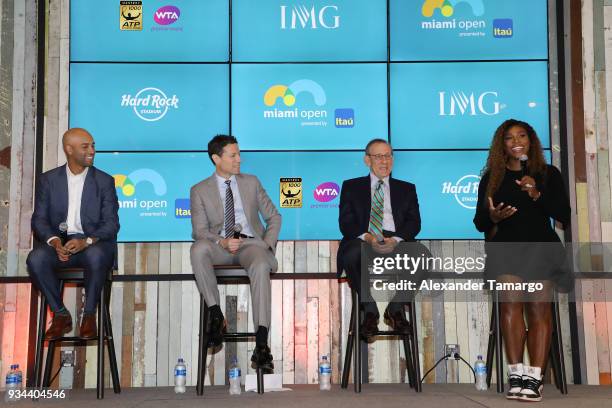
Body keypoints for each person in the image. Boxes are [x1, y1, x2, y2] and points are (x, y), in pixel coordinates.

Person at [474, 119, 570, 402]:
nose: (516, 141)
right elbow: (480, 222)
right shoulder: (492, 177)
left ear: (531, 141)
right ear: (501, 145)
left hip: (541, 249)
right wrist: (493, 217)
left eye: (522, 136)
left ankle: (535, 377)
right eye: (509, 137)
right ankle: (516, 373)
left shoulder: (548, 174)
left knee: (539, 309)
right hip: (506, 250)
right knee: (510, 305)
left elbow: (563, 214)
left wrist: (537, 194)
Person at [190, 134, 281, 373]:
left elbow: (274, 217)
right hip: (219, 247)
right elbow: (199, 231)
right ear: (216, 158)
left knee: (261, 263)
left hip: (250, 246)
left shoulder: (251, 182)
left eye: (239, 153)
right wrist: (221, 241)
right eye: (233, 155)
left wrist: (267, 245)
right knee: (198, 249)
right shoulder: (199, 190)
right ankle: (216, 314)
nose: (239, 159)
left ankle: (262, 342)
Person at [27, 128, 119, 339]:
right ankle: (60, 314)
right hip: (61, 245)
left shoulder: (105, 181)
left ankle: (88, 316)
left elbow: (112, 224)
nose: (92, 151)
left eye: (93, 145)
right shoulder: (48, 180)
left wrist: (86, 241)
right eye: (85, 146)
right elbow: (39, 219)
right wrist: (55, 242)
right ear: (69, 149)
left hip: (92, 245)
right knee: (36, 258)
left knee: (96, 255)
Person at [337, 138, 421, 340]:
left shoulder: (407, 188)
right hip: (364, 239)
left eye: (388, 155)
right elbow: (346, 224)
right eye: (379, 156)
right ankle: (370, 309)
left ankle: (396, 309)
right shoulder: (351, 186)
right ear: (367, 160)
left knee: (422, 256)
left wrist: (396, 239)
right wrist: (368, 237)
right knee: (351, 253)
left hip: (395, 240)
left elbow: (414, 223)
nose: (385, 161)